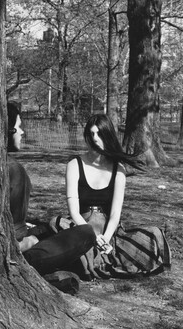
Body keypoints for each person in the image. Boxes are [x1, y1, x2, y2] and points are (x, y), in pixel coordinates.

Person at [51, 114, 171, 279]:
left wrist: (105, 239)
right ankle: (89, 259)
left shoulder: (118, 169)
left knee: (153, 235)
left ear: (107, 137)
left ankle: (99, 256)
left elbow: (115, 214)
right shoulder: (74, 165)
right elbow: (74, 212)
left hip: (108, 230)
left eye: (99, 134)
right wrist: (92, 235)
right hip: (81, 225)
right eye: (91, 134)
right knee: (56, 225)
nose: (94, 139)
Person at [6, 103, 96, 289]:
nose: (22, 132)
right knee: (85, 233)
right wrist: (32, 240)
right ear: (8, 129)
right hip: (11, 254)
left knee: (49, 227)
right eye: (19, 126)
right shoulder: (14, 171)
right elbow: (15, 237)